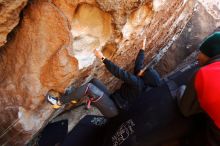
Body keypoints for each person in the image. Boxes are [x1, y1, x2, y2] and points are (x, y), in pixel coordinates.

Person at [47, 37, 162, 115]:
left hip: (113, 109)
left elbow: (118, 72)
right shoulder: (141, 80)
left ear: (145, 78)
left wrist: (102, 57)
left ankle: (59, 102)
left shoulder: (137, 83)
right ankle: (73, 98)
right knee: (94, 81)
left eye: (144, 71)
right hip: (113, 99)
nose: (142, 70)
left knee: (89, 88)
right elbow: (138, 66)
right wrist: (142, 48)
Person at [177, 32, 220, 145]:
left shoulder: (203, 73)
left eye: (202, 52)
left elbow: (185, 109)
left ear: (212, 54)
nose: (197, 57)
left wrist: (181, 89)